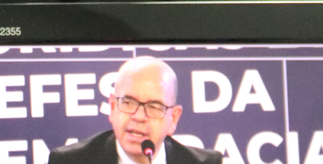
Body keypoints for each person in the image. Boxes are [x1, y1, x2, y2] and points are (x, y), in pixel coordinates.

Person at [49, 57, 223, 164]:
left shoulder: (204, 163)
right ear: (112, 107)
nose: (139, 117)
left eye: (154, 107)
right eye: (129, 103)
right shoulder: (70, 162)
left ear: (174, 118)